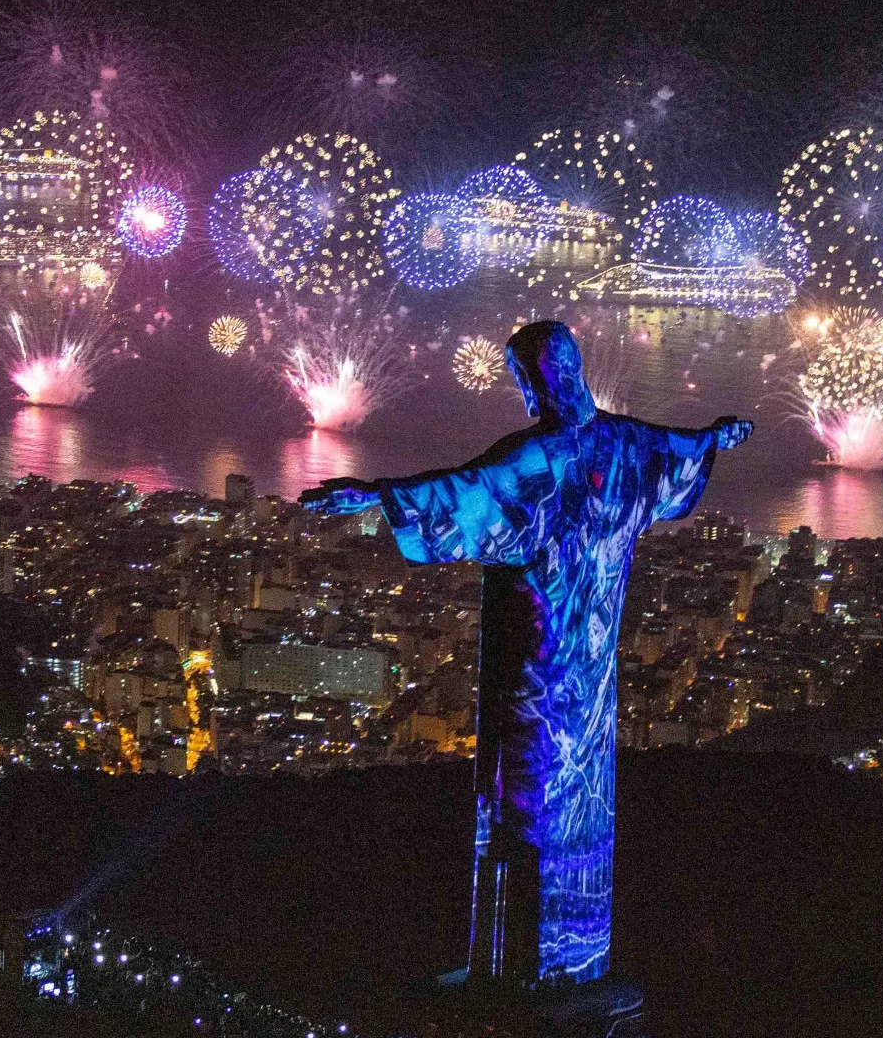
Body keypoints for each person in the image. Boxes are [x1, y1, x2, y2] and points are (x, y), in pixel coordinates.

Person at [300, 320, 750, 986]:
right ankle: (577, 958)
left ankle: (522, 972)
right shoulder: (630, 446)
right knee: (582, 800)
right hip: (593, 674)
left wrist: (374, 494)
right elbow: (679, 452)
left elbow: (463, 492)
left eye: (522, 376)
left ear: (533, 378)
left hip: (535, 666)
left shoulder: (538, 460)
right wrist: (716, 438)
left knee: (523, 797)